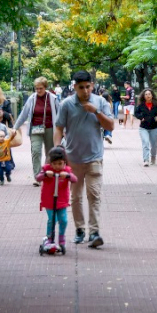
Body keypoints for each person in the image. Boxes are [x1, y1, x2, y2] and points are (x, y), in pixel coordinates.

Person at [53, 71, 114, 248]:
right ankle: (79, 229)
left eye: (88, 87)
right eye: (81, 88)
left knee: (94, 195)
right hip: (73, 158)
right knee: (76, 197)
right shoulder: (66, 104)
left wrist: (96, 112)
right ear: (75, 87)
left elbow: (110, 126)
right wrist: (57, 150)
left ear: (92, 85)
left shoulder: (100, 102)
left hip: (95, 157)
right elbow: (59, 128)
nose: (85, 91)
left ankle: (94, 232)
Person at [14, 77, 60, 186]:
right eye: (36, 88)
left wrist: (63, 130)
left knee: (50, 153)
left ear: (45, 87)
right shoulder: (32, 98)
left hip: (50, 128)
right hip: (35, 128)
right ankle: (38, 177)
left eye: (41, 88)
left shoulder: (53, 98)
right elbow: (24, 113)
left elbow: (60, 114)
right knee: (35, 151)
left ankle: (47, 173)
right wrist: (15, 127)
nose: (38, 90)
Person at [37, 147, 77, 254]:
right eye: (54, 164)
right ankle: (49, 238)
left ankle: (61, 237)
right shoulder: (46, 169)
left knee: (63, 220)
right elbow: (38, 178)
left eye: (60, 163)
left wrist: (68, 176)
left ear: (64, 162)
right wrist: (45, 174)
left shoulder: (66, 170)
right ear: (50, 163)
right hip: (49, 200)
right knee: (52, 219)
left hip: (62, 200)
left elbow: (74, 179)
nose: (57, 166)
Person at [134, 89, 157, 166]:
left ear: (152, 95)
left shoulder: (156, 104)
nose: (148, 95)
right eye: (146, 94)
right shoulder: (141, 105)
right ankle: (146, 160)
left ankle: (153, 157)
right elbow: (136, 113)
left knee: (154, 145)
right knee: (145, 142)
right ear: (144, 96)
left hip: (154, 128)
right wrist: (141, 117)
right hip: (143, 128)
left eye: (149, 94)